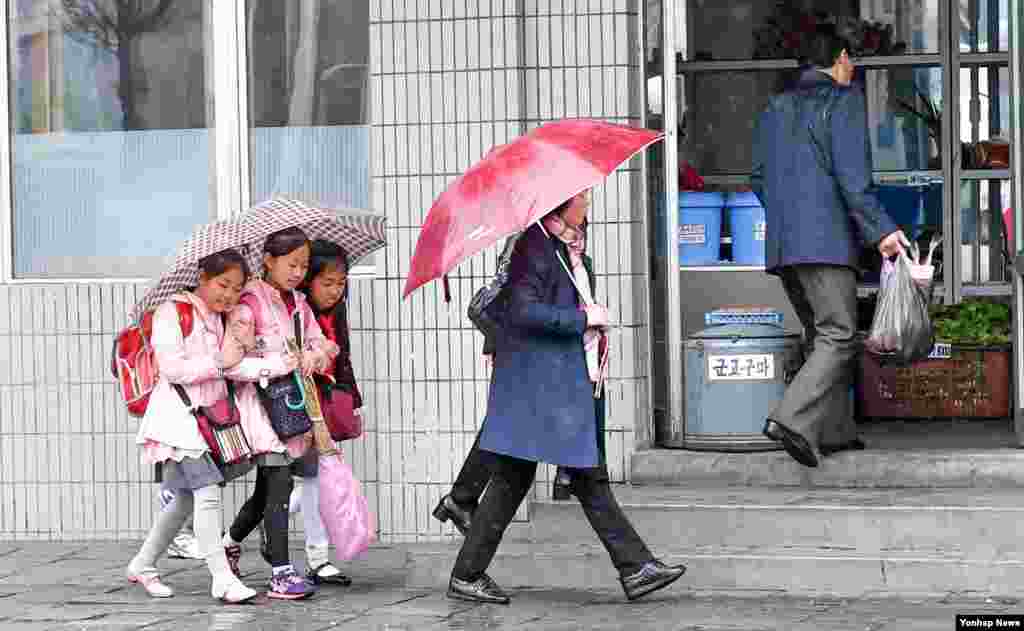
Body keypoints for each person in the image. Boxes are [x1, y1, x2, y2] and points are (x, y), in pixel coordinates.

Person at [447, 192, 686, 604]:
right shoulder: (534, 247)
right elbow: (523, 310)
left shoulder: (561, 247)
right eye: (582, 198)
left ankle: (634, 568)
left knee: (532, 477)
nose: (589, 202)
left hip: (554, 382)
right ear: (559, 204)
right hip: (539, 384)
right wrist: (583, 318)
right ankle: (635, 568)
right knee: (570, 474)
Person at [751, 26, 909, 468]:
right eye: (851, 60)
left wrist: (791, 220)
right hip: (826, 245)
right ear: (840, 58)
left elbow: (759, 178)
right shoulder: (842, 102)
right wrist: (881, 231)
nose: (853, 68)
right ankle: (790, 419)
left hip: (785, 246)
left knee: (821, 335)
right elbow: (853, 181)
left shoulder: (775, 106)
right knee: (838, 335)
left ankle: (835, 431)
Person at [126, 249, 258, 604]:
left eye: (236, 288)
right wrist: (219, 361)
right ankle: (222, 579)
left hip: (208, 421)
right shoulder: (173, 312)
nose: (228, 295)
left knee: (182, 502)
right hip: (179, 421)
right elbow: (172, 368)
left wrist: (265, 363)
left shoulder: (222, 318)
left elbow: (231, 368)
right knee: (208, 493)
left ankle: (143, 564)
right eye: (222, 284)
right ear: (202, 277)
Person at [221, 227, 338, 600]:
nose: (299, 272)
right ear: (269, 261)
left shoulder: (298, 304)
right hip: (259, 407)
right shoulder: (247, 304)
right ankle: (281, 572)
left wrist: (314, 355)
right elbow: (229, 364)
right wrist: (275, 364)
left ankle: (229, 543)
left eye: (303, 265)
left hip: (290, 406)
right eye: (292, 264)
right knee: (280, 483)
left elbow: (324, 343)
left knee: (268, 487)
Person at [278, 239, 363, 586]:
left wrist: (351, 396)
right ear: (308, 279)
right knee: (303, 480)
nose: (334, 290)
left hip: (324, 400)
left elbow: (343, 356)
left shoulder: (335, 309)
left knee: (309, 479)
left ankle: (234, 539)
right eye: (326, 283)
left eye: (340, 283)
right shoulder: (296, 311)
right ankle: (317, 556)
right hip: (297, 403)